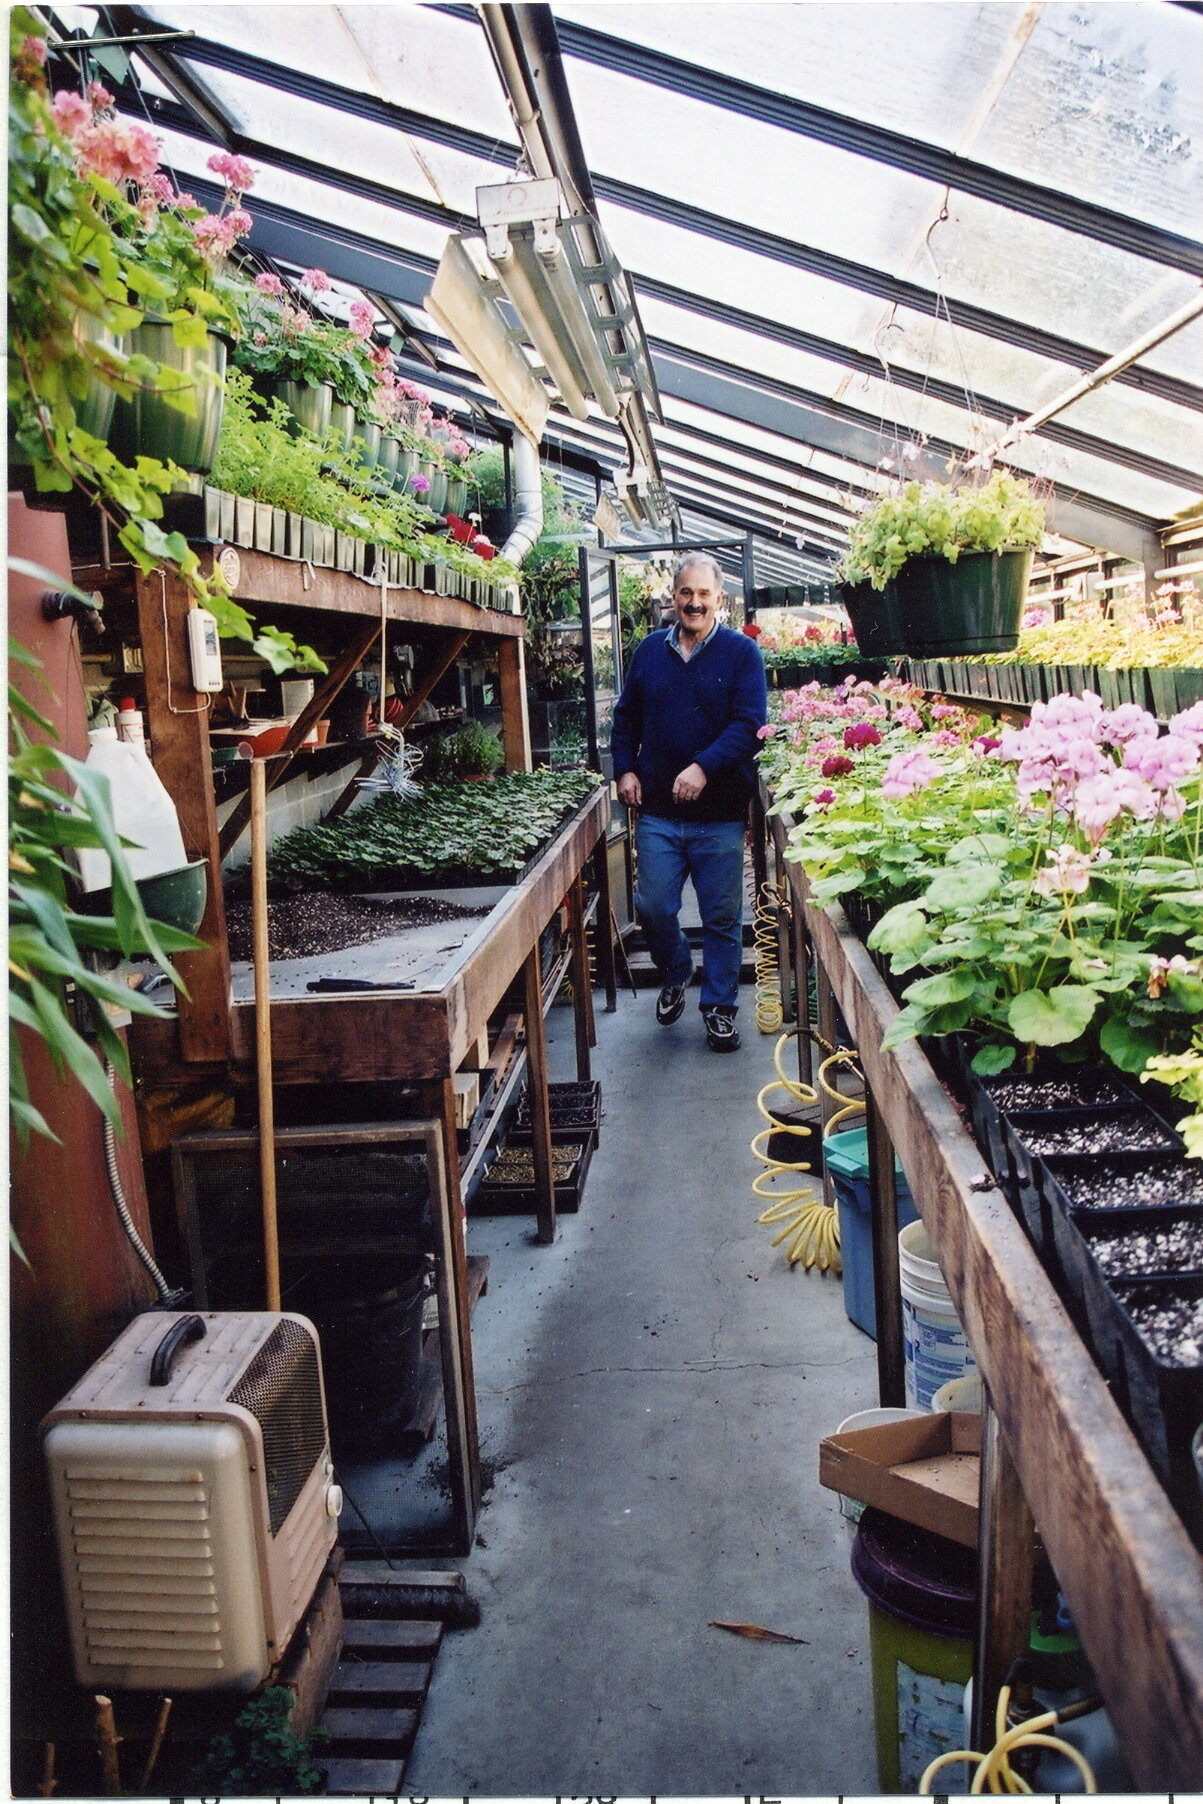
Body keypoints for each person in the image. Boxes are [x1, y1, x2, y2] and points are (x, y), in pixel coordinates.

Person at [610, 553, 767, 1052]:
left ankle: (719, 1008)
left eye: (704, 594)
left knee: (722, 918)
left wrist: (704, 766)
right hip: (658, 811)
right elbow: (625, 717)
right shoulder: (649, 652)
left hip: (719, 815)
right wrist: (624, 767)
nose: (694, 602)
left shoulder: (742, 654)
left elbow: (750, 727)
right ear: (673, 597)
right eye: (686, 593)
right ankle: (676, 969)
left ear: (720, 598)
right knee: (654, 907)